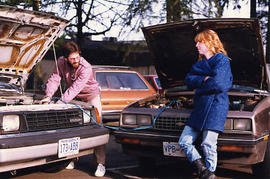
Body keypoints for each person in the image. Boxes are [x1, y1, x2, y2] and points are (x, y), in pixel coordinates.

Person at [40, 41, 106, 177]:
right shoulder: (60, 62)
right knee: (73, 127)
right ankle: (71, 158)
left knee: (97, 127)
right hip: (74, 98)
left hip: (90, 96)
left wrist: (61, 102)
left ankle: (100, 163)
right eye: (72, 58)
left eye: (77, 57)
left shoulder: (85, 67)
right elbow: (55, 79)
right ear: (65, 58)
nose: (76, 60)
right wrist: (48, 95)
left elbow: (76, 88)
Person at [178, 29, 232, 179]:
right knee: (184, 141)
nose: (196, 46)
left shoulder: (222, 60)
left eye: (200, 42)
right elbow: (188, 80)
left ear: (209, 42)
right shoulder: (200, 63)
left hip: (216, 106)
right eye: (196, 42)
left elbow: (220, 84)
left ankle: (210, 173)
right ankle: (202, 170)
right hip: (200, 107)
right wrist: (203, 79)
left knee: (208, 144)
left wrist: (200, 87)